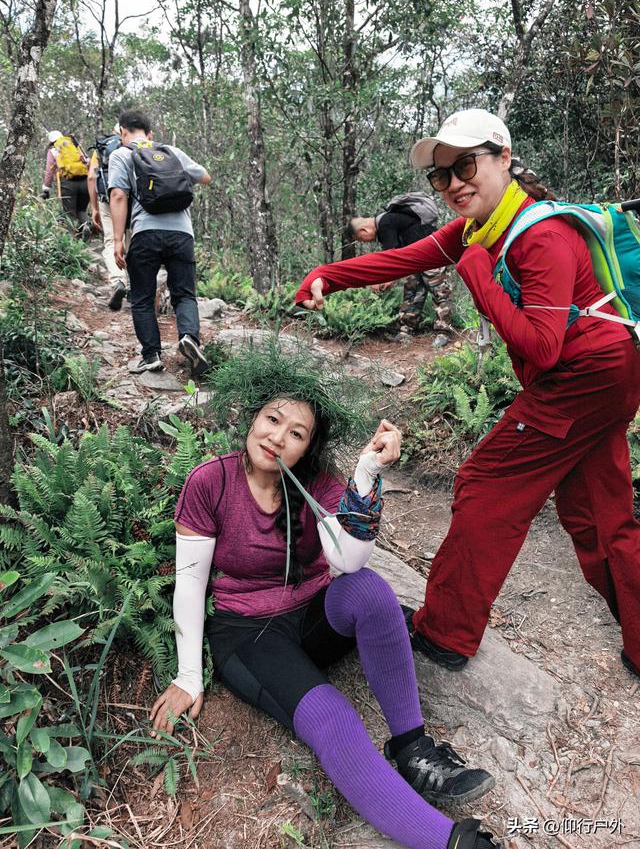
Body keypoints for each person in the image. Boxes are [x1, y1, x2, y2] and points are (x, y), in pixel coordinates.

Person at [295, 108, 640, 681]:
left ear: (504, 158)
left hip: (583, 375)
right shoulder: (482, 227)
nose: (454, 183)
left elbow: (543, 346)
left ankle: (444, 632)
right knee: (597, 513)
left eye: (466, 165)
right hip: (606, 375)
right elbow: (405, 258)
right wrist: (327, 274)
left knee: (484, 484)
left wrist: (477, 273)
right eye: (441, 175)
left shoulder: (542, 237)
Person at [150, 345, 503, 849]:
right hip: (250, 635)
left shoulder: (318, 483)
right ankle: (451, 842)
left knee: (371, 591)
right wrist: (188, 675)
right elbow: (190, 582)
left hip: (313, 614)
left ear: (306, 448)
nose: (277, 437)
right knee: (333, 717)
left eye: (296, 434)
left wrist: (366, 475)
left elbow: (349, 561)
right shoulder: (212, 481)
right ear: (253, 417)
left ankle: (413, 749)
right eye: (272, 419)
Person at [108, 109, 211, 375]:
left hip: (145, 233)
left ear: (122, 132)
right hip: (182, 234)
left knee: (142, 298)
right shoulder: (171, 152)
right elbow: (205, 177)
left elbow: (119, 195)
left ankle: (151, 354)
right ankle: (189, 337)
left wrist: (118, 240)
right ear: (150, 133)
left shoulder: (121, 154)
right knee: (185, 294)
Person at [350, 201, 454, 348]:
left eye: (361, 239)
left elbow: (390, 260)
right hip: (414, 258)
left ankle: (444, 332)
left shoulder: (385, 223)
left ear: (363, 230)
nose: (366, 242)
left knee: (440, 292)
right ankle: (406, 331)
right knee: (412, 293)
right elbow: (394, 259)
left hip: (432, 253)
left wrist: (381, 281)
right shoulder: (388, 222)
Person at [86, 125, 129, 310]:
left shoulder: (102, 148)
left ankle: (118, 281)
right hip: (131, 200)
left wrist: (94, 208)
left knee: (112, 241)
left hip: (107, 200)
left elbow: (91, 177)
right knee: (131, 240)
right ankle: (136, 286)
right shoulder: (132, 147)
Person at [41, 130, 90, 238]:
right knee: (82, 209)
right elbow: (86, 161)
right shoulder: (74, 145)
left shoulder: (53, 150)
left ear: (51, 141)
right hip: (84, 181)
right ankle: (85, 228)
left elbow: (49, 171)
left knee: (69, 213)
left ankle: (72, 240)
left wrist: (46, 189)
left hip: (68, 184)